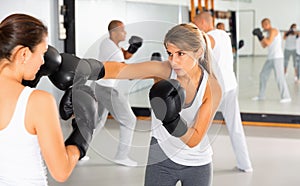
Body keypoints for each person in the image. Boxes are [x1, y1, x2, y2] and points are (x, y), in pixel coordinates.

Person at [102, 23, 222, 186]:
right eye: (170, 53)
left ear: (198, 52)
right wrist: (81, 69)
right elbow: (120, 70)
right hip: (161, 158)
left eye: (181, 53)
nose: (174, 61)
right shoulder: (164, 70)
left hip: (197, 163)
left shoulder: (211, 88)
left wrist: (171, 119)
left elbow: (194, 139)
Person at [0, 13, 103, 185]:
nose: (42, 62)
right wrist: (84, 129)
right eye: (42, 53)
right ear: (24, 54)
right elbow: (61, 171)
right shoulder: (38, 101)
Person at [193, 11, 253, 172]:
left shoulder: (210, 36)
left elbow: (206, 43)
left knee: (199, 125)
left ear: (204, 23)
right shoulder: (224, 34)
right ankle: (245, 165)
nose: (195, 27)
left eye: (195, 23)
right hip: (231, 85)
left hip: (218, 90)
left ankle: (194, 163)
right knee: (235, 126)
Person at [93, 20, 143, 166]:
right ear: (114, 32)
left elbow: (124, 56)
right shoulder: (112, 49)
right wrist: (143, 71)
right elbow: (122, 67)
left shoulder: (108, 44)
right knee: (129, 119)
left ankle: (78, 151)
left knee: (97, 122)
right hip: (106, 88)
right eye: (122, 30)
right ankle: (122, 156)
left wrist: (132, 49)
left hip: (100, 86)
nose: (125, 33)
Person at [252, 18, 291, 103]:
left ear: (267, 24)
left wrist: (261, 36)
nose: (263, 28)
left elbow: (268, 42)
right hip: (270, 58)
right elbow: (264, 45)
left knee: (279, 77)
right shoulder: (268, 33)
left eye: (263, 26)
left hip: (277, 58)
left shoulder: (273, 30)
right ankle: (261, 96)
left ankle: (286, 96)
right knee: (263, 75)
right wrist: (259, 37)